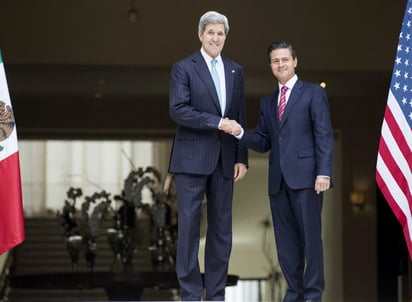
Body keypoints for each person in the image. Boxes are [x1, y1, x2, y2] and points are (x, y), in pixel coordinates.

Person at [223, 41, 334, 302]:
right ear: (271, 66)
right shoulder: (268, 102)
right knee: (286, 244)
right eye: (275, 61)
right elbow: (263, 142)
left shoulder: (313, 94)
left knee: (310, 240)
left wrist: (324, 173)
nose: (280, 64)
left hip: (308, 179)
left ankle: (313, 294)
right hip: (278, 183)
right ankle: (294, 293)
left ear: (295, 61)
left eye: (285, 59)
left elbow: (324, 134)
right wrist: (239, 132)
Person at [168, 10, 248, 301]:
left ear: (226, 37)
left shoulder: (236, 70)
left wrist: (242, 156)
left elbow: (239, 115)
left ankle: (216, 295)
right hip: (190, 160)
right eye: (210, 32)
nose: (215, 38)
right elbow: (178, 109)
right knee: (188, 231)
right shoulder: (183, 68)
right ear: (200, 35)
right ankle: (190, 294)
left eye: (221, 33)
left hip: (225, 160)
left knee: (221, 232)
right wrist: (216, 122)